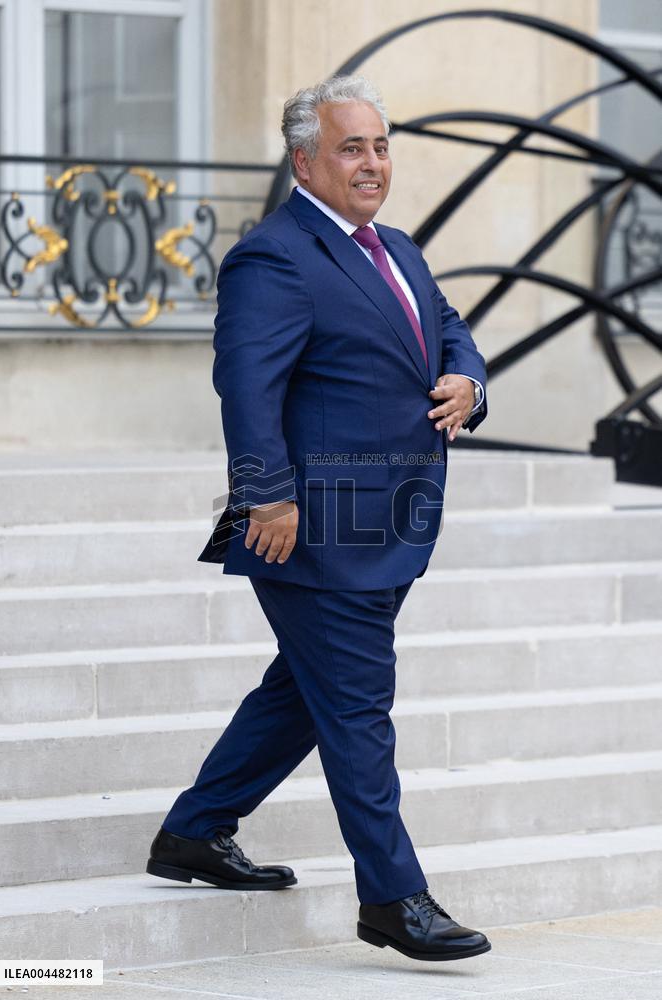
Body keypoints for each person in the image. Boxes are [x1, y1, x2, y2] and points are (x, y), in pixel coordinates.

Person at [148, 75, 490, 963]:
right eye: (352, 147)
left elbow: (449, 328)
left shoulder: (398, 248)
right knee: (357, 708)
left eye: (380, 145)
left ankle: (193, 832)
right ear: (305, 160)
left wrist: (469, 380)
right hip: (311, 527)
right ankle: (393, 898)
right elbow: (245, 387)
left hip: (391, 520)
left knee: (304, 692)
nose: (372, 163)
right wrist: (267, 495)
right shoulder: (275, 256)